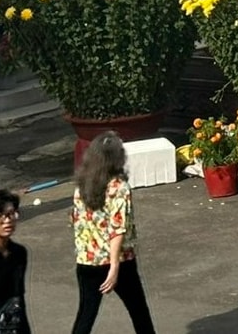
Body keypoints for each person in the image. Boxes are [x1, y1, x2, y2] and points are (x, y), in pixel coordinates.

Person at [68, 133, 156, 334]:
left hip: (87, 260)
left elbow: (77, 221)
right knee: (138, 311)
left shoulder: (81, 186)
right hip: (119, 260)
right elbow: (117, 229)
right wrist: (114, 266)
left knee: (86, 314)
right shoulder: (119, 187)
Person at [0, 187, 28, 334]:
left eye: (11, 214)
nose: (7, 221)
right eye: (0, 216)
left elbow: (18, 299)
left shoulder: (19, 253)